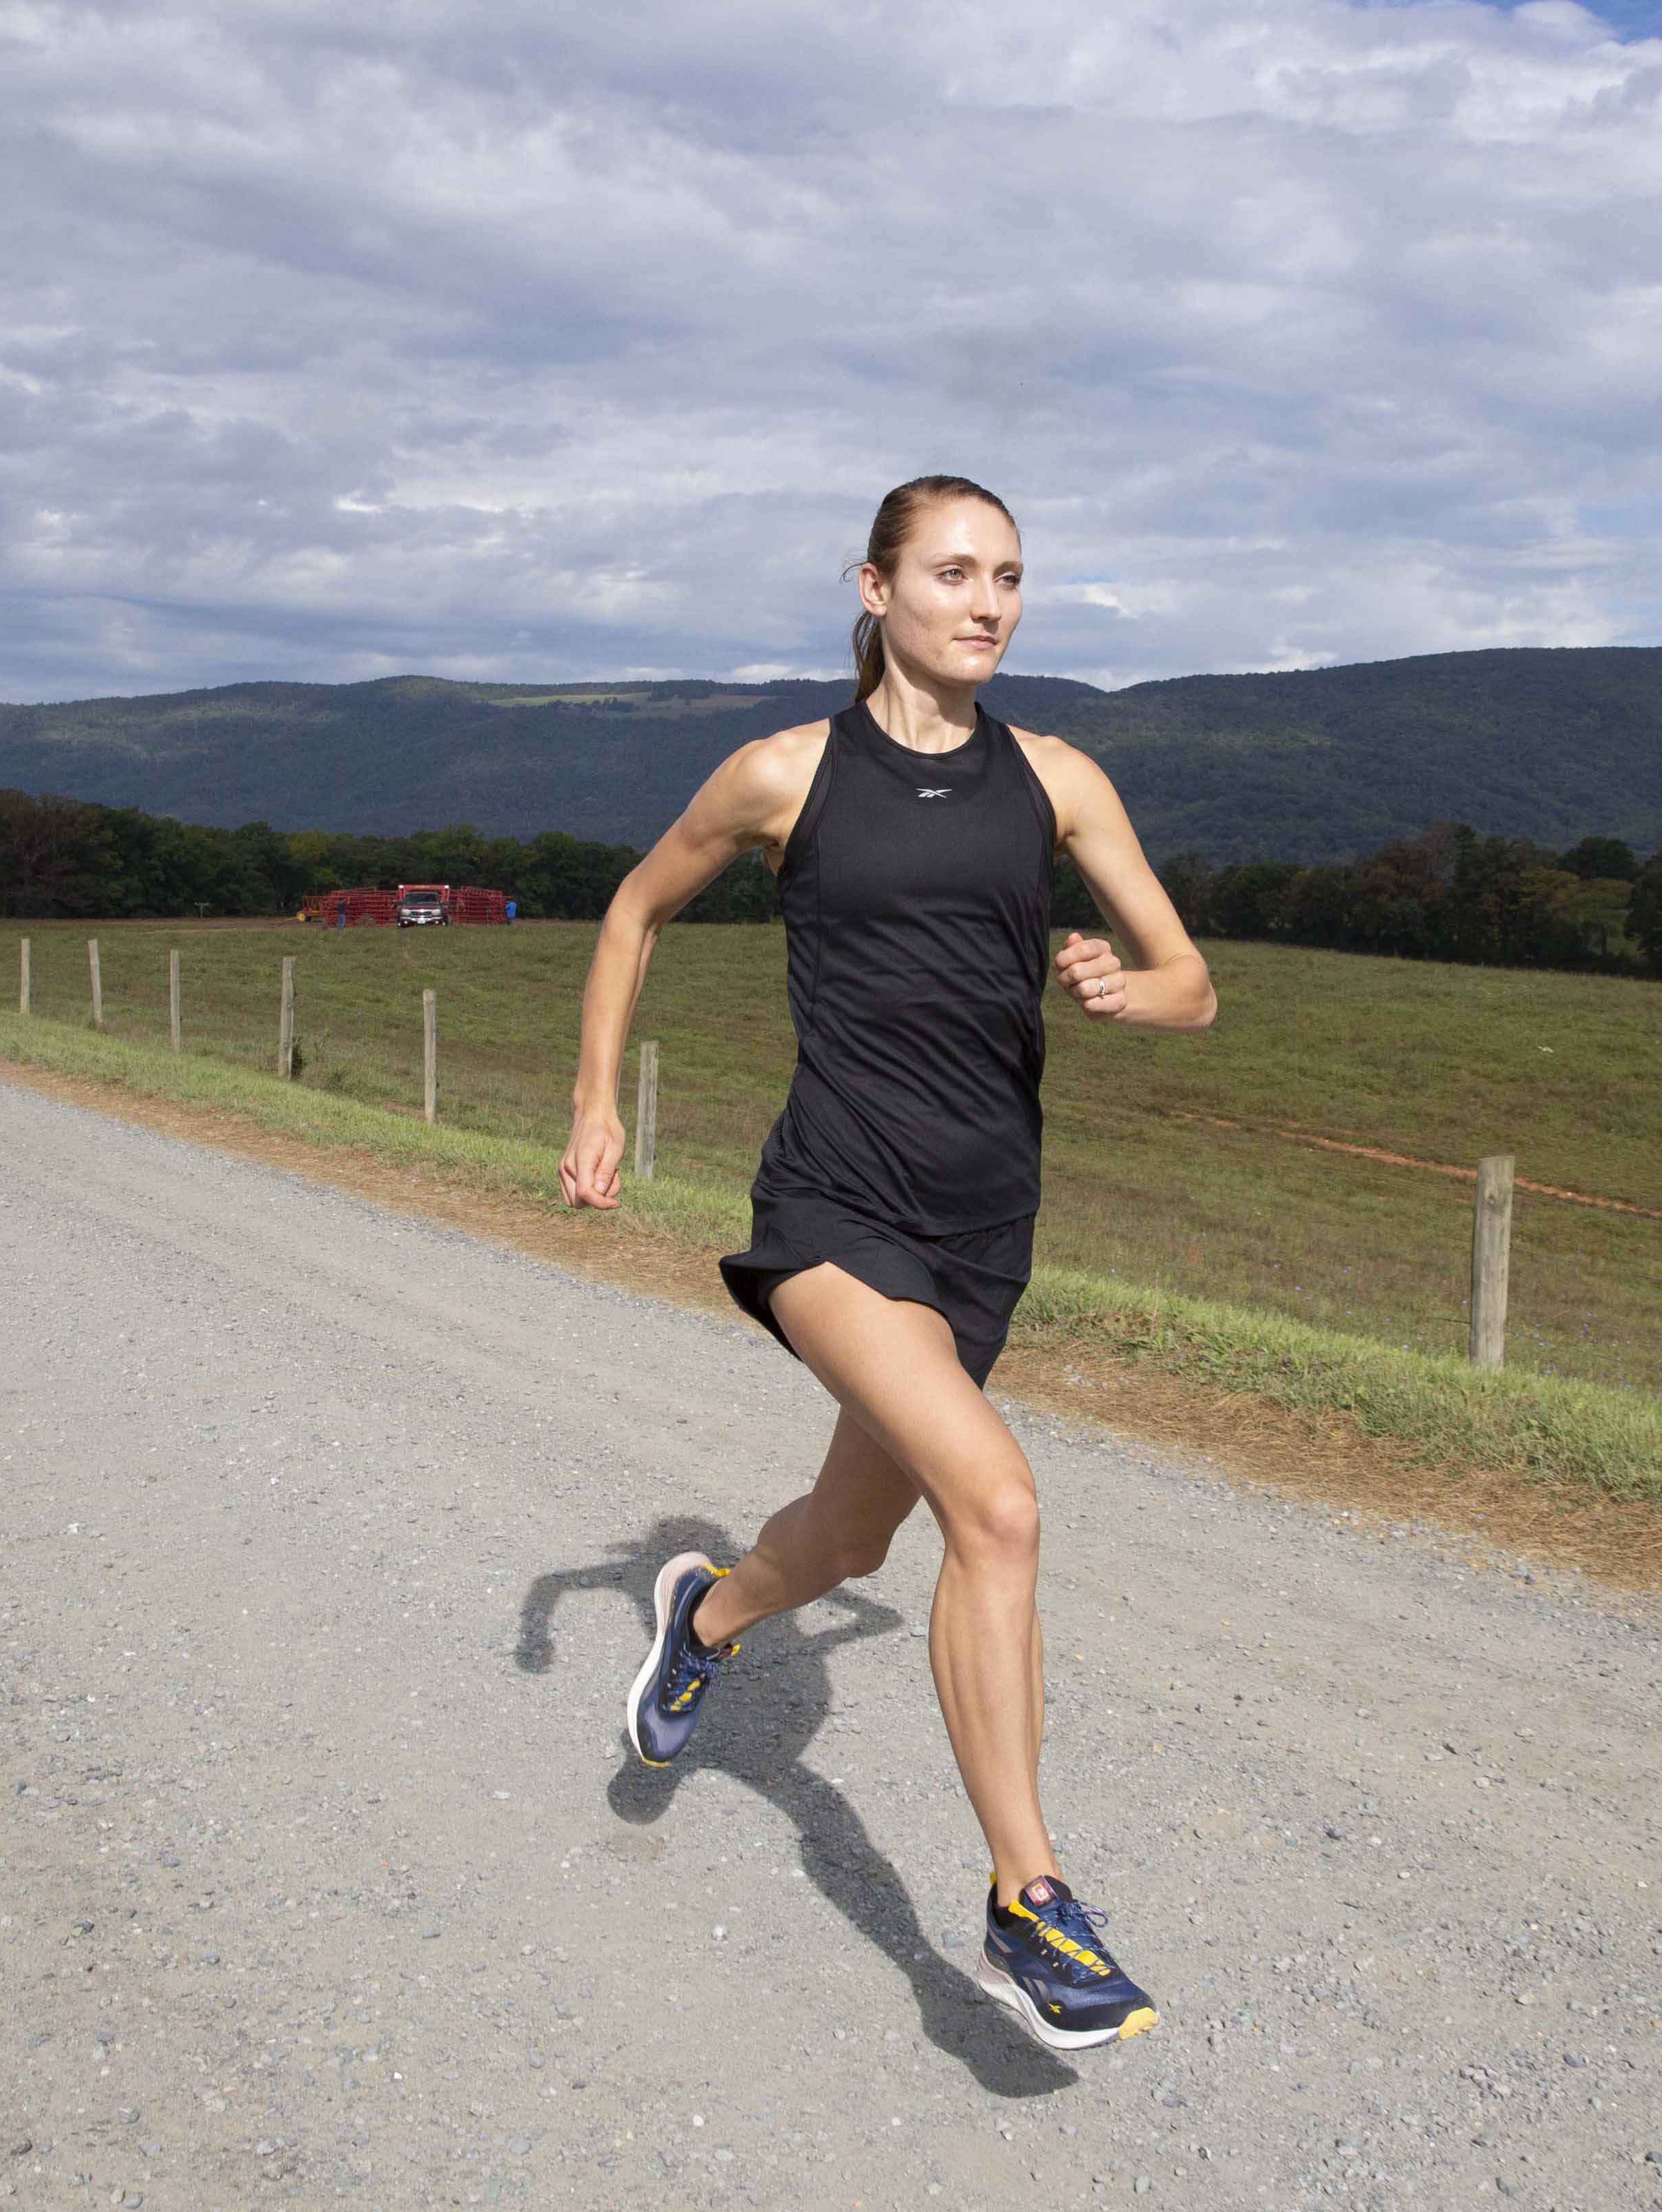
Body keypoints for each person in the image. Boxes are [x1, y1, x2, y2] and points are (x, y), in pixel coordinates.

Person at [558, 475, 1216, 2052]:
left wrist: (1141, 985)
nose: (987, 604)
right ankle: (1031, 1901)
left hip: (987, 1231)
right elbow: (636, 909)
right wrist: (595, 1102)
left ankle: (708, 1620)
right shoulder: (786, 774)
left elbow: (1198, 980)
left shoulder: (1058, 782)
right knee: (997, 1506)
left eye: (1008, 578)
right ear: (875, 589)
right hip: (836, 1218)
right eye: (952, 574)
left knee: (852, 1542)